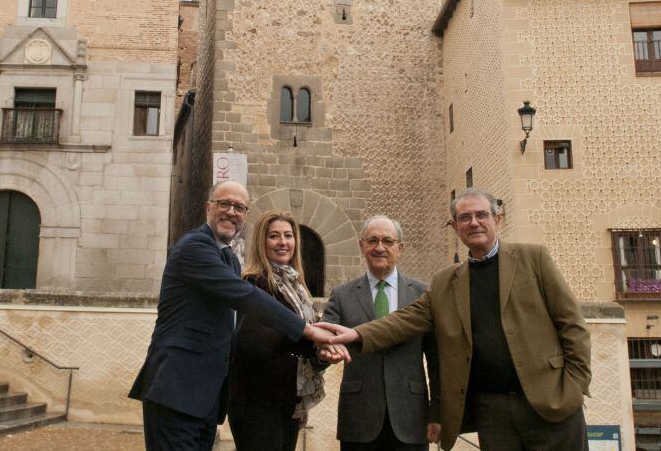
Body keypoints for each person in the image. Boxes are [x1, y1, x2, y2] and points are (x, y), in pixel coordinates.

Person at [319, 188, 590, 451]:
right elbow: (405, 319)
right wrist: (357, 334)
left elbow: (572, 324)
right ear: (455, 227)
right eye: (464, 218)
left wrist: (575, 386)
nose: (474, 223)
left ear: (497, 219)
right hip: (492, 413)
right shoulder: (446, 282)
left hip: (550, 403)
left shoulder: (534, 259)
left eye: (481, 215)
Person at [129, 181, 345, 451]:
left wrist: (316, 353)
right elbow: (246, 297)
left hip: (205, 399)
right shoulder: (195, 247)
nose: (231, 212)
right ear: (208, 207)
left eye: (239, 208)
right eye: (224, 204)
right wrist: (310, 332)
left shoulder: (229, 258)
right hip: (177, 388)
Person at [321, 215, 441, 451]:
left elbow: (437, 359)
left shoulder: (423, 294)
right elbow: (326, 340)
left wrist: (437, 412)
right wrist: (324, 351)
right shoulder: (342, 295)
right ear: (362, 246)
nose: (380, 247)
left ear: (400, 248)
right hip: (359, 418)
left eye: (387, 241)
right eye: (373, 240)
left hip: (411, 418)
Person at [227, 210, 325, 451]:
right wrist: (312, 342)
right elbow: (254, 342)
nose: (283, 242)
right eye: (274, 236)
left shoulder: (297, 285)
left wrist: (322, 354)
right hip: (256, 403)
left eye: (288, 236)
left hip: (287, 402)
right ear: (262, 242)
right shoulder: (254, 283)